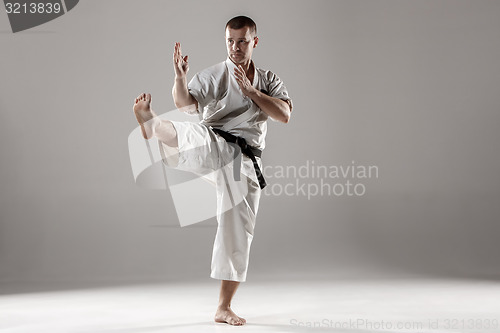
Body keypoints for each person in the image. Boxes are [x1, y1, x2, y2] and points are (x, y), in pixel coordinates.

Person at [132, 16, 292, 326]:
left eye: (242, 41)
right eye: (230, 41)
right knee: (193, 133)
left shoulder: (269, 79)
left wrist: (253, 94)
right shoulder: (215, 74)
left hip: (245, 160)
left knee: (237, 228)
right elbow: (184, 104)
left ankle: (224, 306)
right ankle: (153, 125)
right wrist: (180, 77)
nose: (235, 47)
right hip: (214, 141)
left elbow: (284, 114)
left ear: (254, 42)